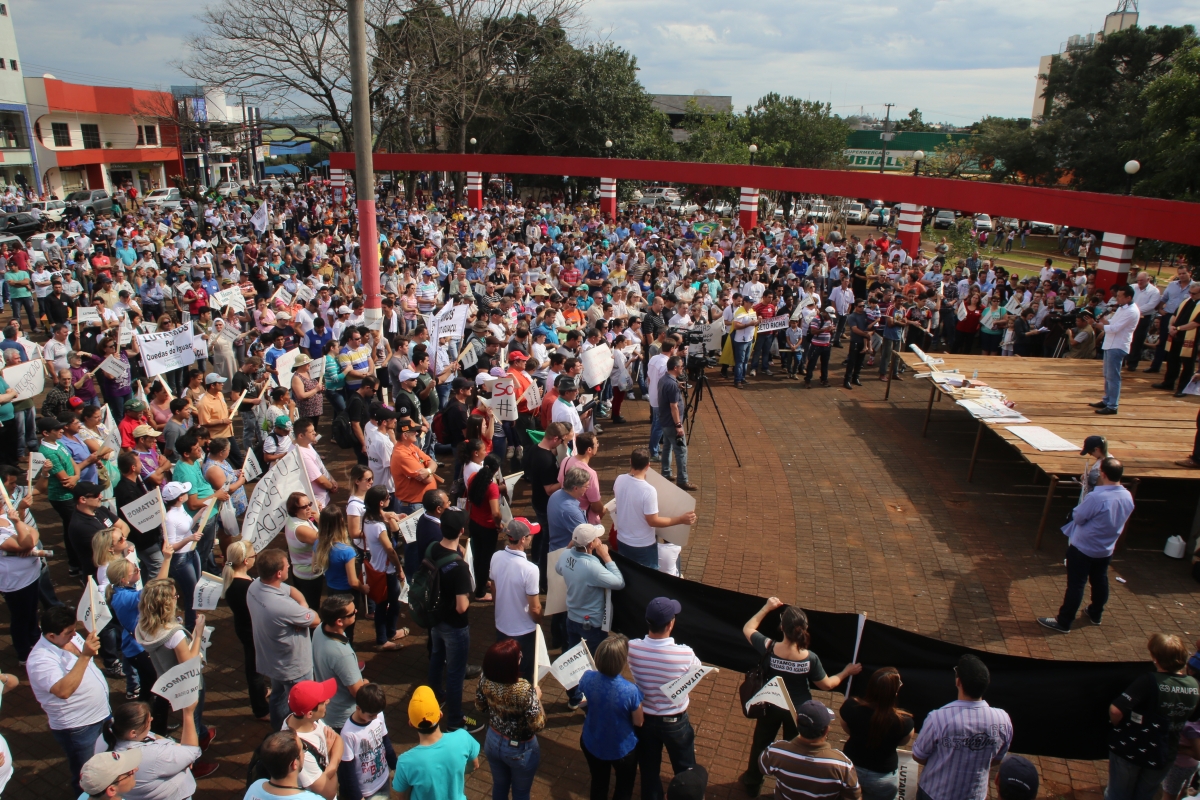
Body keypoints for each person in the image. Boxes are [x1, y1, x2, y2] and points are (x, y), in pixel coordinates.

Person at [739, 597, 863, 796]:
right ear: (805, 628)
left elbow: (748, 628)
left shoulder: (769, 647)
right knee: (796, 750)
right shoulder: (810, 659)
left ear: (782, 627)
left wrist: (767, 607)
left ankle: (753, 781)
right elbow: (827, 684)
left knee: (760, 742)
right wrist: (846, 672)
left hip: (770, 706)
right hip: (798, 712)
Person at [1037, 457, 1134, 633]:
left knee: (1076, 584)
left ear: (1103, 474)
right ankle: (1096, 613)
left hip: (1083, 548)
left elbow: (1079, 517)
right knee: (1100, 580)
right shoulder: (1127, 496)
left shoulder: (1097, 497)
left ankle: (1064, 621)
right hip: (1106, 549)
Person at [29, 605, 111, 795]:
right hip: (79, 728)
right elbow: (63, 691)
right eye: (69, 632)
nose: (75, 634)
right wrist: (85, 655)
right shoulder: (40, 660)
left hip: (101, 715)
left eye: (74, 629)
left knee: (105, 768)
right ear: (51, 636)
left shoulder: (69, 637)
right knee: (87, 777)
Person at [1107, 634, 1200, 800]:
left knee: (1117, 795)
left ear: (1156, 659)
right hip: (1164, 752)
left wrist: (1118, 727)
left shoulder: (1149, 681)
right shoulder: (1194, 685)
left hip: (1133, 748)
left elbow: (1116, 710)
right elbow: (1193, 717)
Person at [911, 654, 1013, 800]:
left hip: (935, 793)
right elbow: (997, 758)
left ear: (958, 682)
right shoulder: (1003, 719)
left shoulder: (938, 718)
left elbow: (918, 755)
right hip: (974, 795)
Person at [628, 597, 700, 800]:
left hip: (645, 719)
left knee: (649, 772)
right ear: (670, 624)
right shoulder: (685, 653)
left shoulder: (632, 648)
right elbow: (696, 672)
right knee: (686, 770)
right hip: (675, 720)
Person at [134, 579, 215, 752]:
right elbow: (189, 663)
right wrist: (198, 634)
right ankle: (195, 753)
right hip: (188, 684)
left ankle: (200, 732)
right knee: (192, 717)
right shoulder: (174, 634)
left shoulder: (142, 625)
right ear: (166, 603)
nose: (176, 598)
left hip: (166, 677)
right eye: (173, 596)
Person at [247, 548, 320, 731]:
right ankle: (298, 736)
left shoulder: (255, 586)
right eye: (287, 565)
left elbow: (291, 590)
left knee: (278, 697)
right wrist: (302, 613)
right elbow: (316, 620)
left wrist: (301, 608)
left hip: (273, 660)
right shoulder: (283, 606)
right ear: (279, 573)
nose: (290, 566)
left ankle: (278, 730)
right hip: (294, 665)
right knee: (303, 706)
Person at [425, 508, 484, 733]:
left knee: (437, 658)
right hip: (455, 625)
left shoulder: (432, 548)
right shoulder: (460, 568)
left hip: (435, 618)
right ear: (462, 530)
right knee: (456, 672)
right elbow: (462, 606)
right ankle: (455, 720)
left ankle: (436, 696)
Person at [558, 522, 625, 709]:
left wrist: (569, 548)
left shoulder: (565, 555)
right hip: (591, 624)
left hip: (572, 617)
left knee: (573, 657)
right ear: (590, 545)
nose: (599, 540)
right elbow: (618, 582)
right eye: (596, 539)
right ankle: (592, 700)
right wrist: (606, 556)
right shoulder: (591, 567)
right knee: (594, 664)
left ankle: (574, 696)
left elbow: (558, 568)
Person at [100, 695, 215, 796]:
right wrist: (188, 713)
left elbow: (153, 736)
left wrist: (178, 749)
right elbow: (191, 752)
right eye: (148, 721)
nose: (152, 719)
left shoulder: (109, 735)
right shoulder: (152, 755)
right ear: (133, 733)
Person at [475, 639, 546, 800]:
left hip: (493, 740)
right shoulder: (523, 689)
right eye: (519, 656)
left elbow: (480, 707)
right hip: (520, 749)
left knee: (499, 786)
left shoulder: (484, 678)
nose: (521, 658)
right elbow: (538, 724)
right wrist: (537, 698)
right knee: (521, 793)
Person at [579, 634, 645, 800]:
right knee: (624, 787)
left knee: (598, 783)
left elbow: (584, 698)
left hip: (592, 741)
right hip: (621, 748)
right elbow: (639, 721)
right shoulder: (630, 691)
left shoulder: (587, 677)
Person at [759, 699, 862, 800]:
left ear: (797, 723)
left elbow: (763, 767)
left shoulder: (776, 751)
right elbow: (855, 795)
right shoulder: (841, 764)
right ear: (826, 730)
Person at [612, 448, 697, 569]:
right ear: (648, 465)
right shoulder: (648, 490)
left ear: (630, 461)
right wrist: (681, 520)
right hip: (642, 546)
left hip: (622, 540)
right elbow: (653, 521)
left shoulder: (619, 479)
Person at [392, 685, 481, 800]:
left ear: (411, 724)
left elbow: (402, 797)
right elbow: (474, 765)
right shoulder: (463, 737)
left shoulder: (405, 762)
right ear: (440, 714)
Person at [838, 668, 915, 800]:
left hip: (851, 770)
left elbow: (846, 728)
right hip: (882, 777)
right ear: (894, 692)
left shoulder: (851, 706)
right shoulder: (904, 721)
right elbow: (903, 741)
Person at [489, 518, 543, 682]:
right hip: (523, 632)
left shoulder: (496, 556)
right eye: (530, 535)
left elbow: (493, 587)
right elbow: (535, 609)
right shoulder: (530, 569)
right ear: (522, 539)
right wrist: (539, 620)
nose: (532, 538)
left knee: (504, 670)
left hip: (501, 626)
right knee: (523, 675)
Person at [221, 540, 270, 721]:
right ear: (245, 561)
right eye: (252, 556)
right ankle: (261, 709)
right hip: (252, 631)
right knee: (254, 670)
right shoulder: (246, 587)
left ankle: (262, 692)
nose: (254, 558)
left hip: (244, 627)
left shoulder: (233, 580)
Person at [312, 593, 369, 731]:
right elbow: (358, 693)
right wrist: (366, 683)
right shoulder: (342, 655)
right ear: (339, 621)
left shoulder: (320, 629)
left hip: (328, 709)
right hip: (343, 719)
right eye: (352, 613)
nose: (356, 612)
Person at [282, 679, 345, 799]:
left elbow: (338, 740)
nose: (328, 701)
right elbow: (329, 793)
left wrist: (329, 768)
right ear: (309, 713)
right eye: (322, 701)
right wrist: (330, 756)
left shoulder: (301, 719)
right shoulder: (299, 750)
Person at [337, 683, 397, 800]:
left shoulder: (378, 714)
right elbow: (348, 771)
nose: (375, 718)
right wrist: (358, 797)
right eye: (371, 715)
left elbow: (386, 744)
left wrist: (396, 768)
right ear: (358, 708)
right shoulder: (348, 734)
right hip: (365, 792)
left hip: (383, 780)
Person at [1092, 284, 1139, 415]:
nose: (1117, 298)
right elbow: (1112, 324)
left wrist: (1096, 324)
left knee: (1113, 377)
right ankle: (1107, 400)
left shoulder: (1131, 311)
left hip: (1118, 345)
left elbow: (1114, 329)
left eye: (1119, 296)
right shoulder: (1121, 308)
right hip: (1110, 344)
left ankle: (1113, 405)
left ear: (1128, 297)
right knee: (1107, 375)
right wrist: (1103, 320)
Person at [465, 452, 504, 602]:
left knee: (477, 556)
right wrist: (498, 523)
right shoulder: (492, 487)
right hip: (487, 528)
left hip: (474, 523)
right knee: (485, 559)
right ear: (496, 470)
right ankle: (480, 592)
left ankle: (480, 582)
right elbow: (495, 512)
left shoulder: (473, 477)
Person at [658, 356, 695, 491]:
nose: (682, 369)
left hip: (664, 421)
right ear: (675, 368)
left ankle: (666, 472)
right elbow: (673, 406)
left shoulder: (664, 379)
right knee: (681, 451)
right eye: (681, 366)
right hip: (672, 423)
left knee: (667, 447)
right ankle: (682, 480)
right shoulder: (672, 385)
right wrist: (678, 426)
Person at [283, 491, 324, 610]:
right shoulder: (301, 529)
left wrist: (314, 506)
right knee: (312, 606)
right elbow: (326, 540)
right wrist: (320, 519)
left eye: (309, 504)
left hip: (299, 571)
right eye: (304, 506)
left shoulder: (292, 519)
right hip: (309, 575)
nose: (309, 508)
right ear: (295, 510)